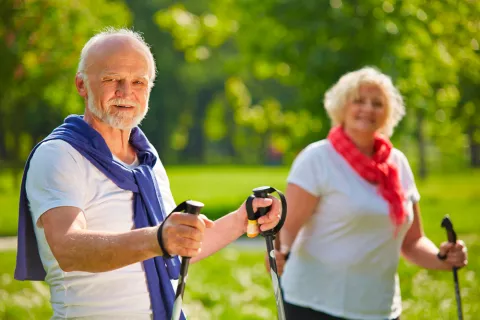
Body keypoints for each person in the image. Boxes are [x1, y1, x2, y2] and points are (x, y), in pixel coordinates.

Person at [14, 28, 281, 320]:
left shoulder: (146, 159)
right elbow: (68, 248)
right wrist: (158, 239)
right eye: (111, 79)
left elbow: (176, 247)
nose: (126, 92)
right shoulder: (60, 154)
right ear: (81, 85)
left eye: (138, 82)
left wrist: (245, 218)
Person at [270, 67, 468, 320]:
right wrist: (280, 252)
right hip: (315, 303)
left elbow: (412, 242)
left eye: (377, 103)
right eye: (359, 101)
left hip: (380, 308)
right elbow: (288, 229)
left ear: (388, 113)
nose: (368, 109)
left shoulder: (398, 164)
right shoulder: (317, 158)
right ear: (342, 107)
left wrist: (443, 258)